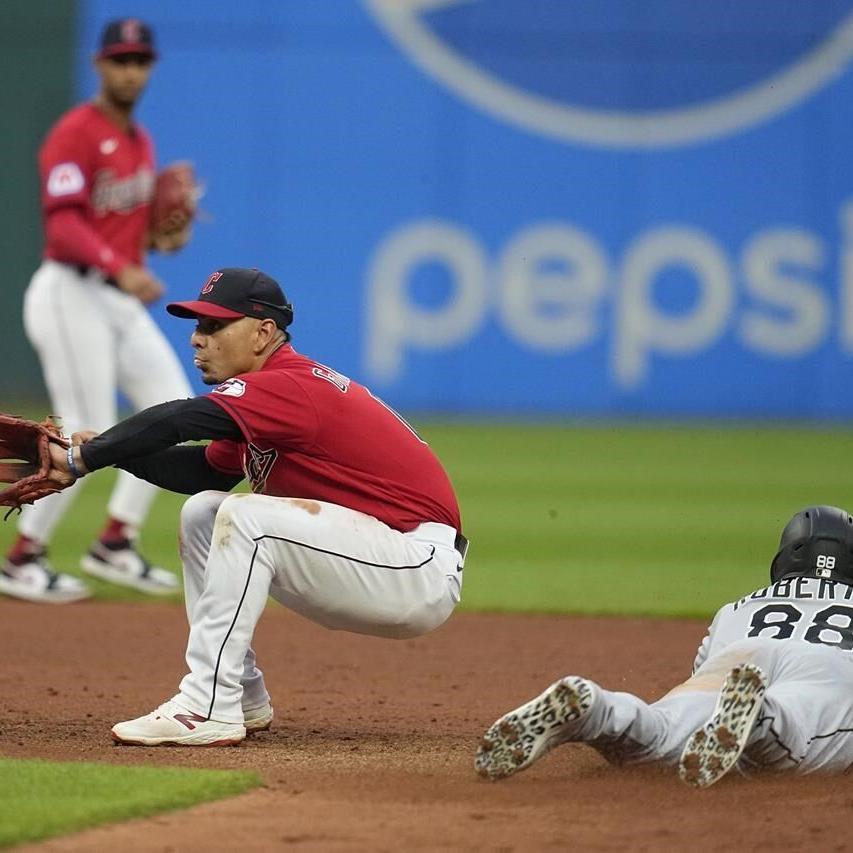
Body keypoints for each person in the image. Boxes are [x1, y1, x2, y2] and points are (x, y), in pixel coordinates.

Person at [41, 266, 467, 745]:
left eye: (215, 326)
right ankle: (241, 695)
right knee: (205, 511)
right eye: (198, 327)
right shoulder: (268, 401)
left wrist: (83, 458)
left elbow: (182, 417)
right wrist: (112, 453)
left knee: (246, 518)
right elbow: (203, 470)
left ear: (264, 333)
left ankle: (206, 706)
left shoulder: (291, 384)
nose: (198, 340)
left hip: (414, 567)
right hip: (376, 557)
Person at [0, 18, 194, 604]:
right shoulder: (75, 133)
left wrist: (157, 242)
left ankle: (115, 542)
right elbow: (63, 226)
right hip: (68, 290)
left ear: (149, 67)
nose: (130, 70)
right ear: (98, 65)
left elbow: (124, 231)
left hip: (111, 295)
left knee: (174, 409)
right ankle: (22, 557)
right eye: (120, 60)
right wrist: (123, 264)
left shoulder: (139, 141)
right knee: (85, 419)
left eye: (139, 60)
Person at [475, 504, 853, 788]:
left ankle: (600, 710)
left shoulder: (739, 607)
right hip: (826, 670)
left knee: (665, 731)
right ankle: (758, 717)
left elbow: (700, 677)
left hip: (741, 655)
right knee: (796, 734)